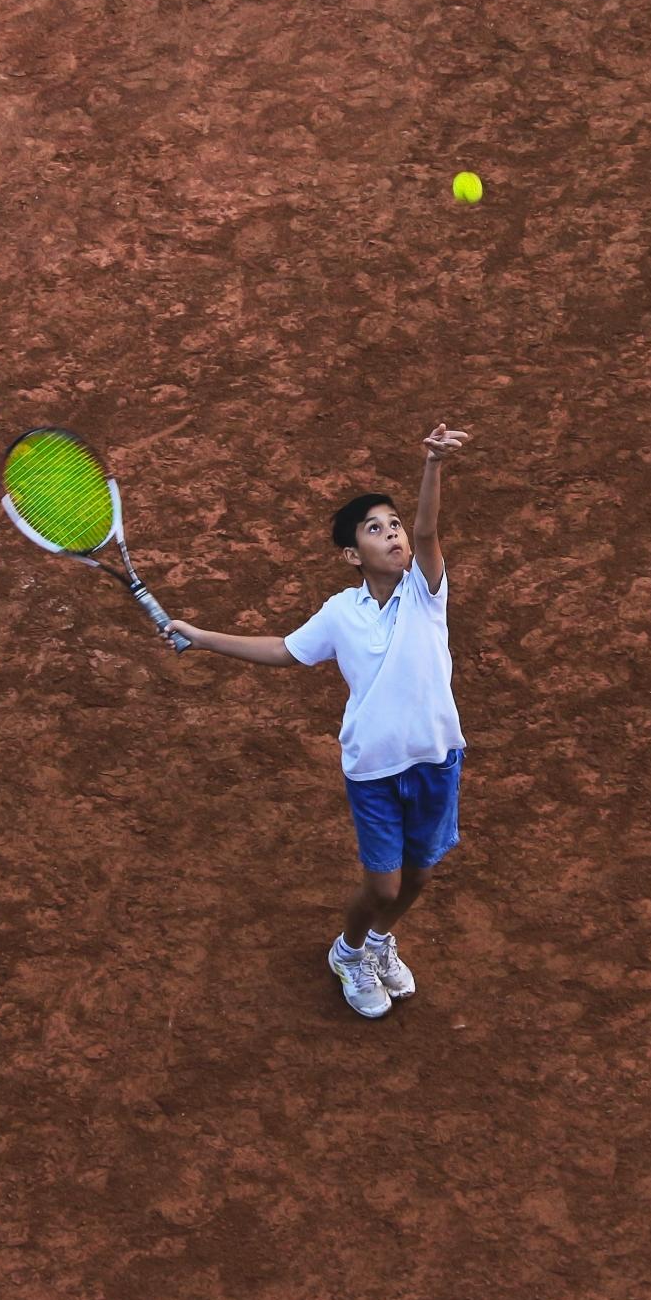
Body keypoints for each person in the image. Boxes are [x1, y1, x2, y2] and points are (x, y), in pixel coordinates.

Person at [167, 424, 471, 1020]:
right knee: (383, 886)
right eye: (374, 528)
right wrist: (201, 637)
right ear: (352, 556)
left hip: (436, 761)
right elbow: (285, 650)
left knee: (418, 879)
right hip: (374, 770)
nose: (393, 533)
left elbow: (428, 531)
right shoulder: (340, 613)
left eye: (394, 524)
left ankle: (381, 941)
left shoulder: (425, 592)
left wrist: (433, 465)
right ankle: (350, 951)